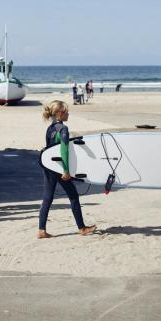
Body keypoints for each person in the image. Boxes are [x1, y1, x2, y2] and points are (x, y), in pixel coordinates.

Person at [38, 100, 96, 239]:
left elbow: (49, 148)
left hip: (48, 166)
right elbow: (64, 150)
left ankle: (41, 230)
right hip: (59, 168)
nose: (68, 113)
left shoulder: (50, 128)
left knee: (47, 198)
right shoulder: (63, 129)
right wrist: (66, 170)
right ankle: (81, 228)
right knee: (73, 196)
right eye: (66, 111)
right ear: (59, 113)